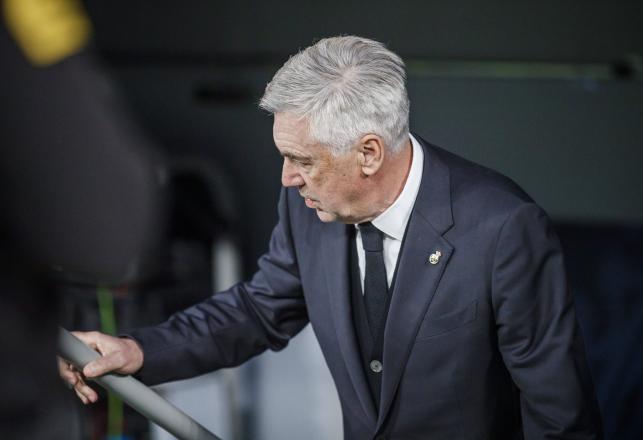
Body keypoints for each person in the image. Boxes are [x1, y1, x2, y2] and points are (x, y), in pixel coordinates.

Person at [61, 36, 602, 439]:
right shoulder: (306, 206)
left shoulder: (504, 229)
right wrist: (139, 349)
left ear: (369, 153)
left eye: (302, 162)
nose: (287, 178)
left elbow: (560, 415)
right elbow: (258, 311)